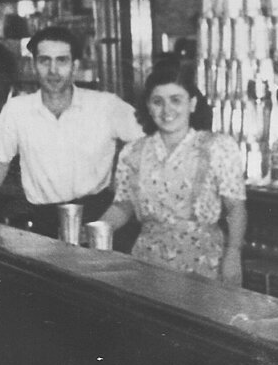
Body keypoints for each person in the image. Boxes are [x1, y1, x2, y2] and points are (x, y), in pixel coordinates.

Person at [0, 27, 143, 235]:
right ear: (34, 65)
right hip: (45, 224)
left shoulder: (105, 106)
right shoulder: (17, 110)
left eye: (62, 60)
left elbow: (148, 142)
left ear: (75, 66)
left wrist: (122, 182)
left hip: (98, 217)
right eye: (44, 60)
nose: (53, 70)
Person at [99, 60, 247, 284]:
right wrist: (94, 231)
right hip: (147, 263)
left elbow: (235, 208)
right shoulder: (133, 152)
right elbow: (123, 205)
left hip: (205, 264)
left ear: (192, 103)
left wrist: (233, 254)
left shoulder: (218, 147)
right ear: (148, 106)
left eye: (176, 100)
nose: (167, 110)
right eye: (158, 102)